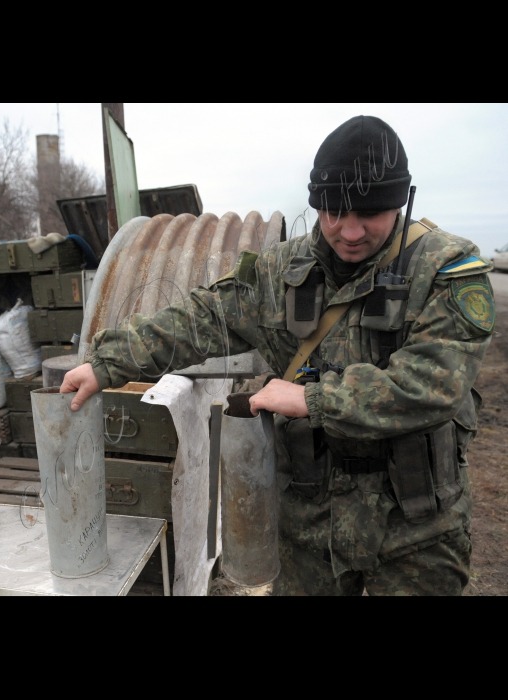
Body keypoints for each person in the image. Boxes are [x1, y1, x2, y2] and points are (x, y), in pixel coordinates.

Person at [61, 115, 495, 596]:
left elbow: (433, 386)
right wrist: (106, 363)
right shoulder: (281, 272)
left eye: (368, 214)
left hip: (417, 528)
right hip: (310, 526)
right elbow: (202, 318)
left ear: (400, 203)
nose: (349, 231)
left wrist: (311, 399)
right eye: (334, 213)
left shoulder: (447, 270)